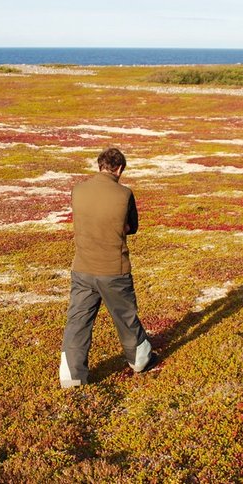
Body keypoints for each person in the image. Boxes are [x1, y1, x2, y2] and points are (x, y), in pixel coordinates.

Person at [59, 147, 157, 388]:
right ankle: (139, 360)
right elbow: (132, 227)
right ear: (120, 169)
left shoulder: (78, 190)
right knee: (125, 317)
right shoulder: (124, 194)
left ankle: (71, 375)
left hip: (82, 268)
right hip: (114, 270)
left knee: (78, 321)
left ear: (99, 165)